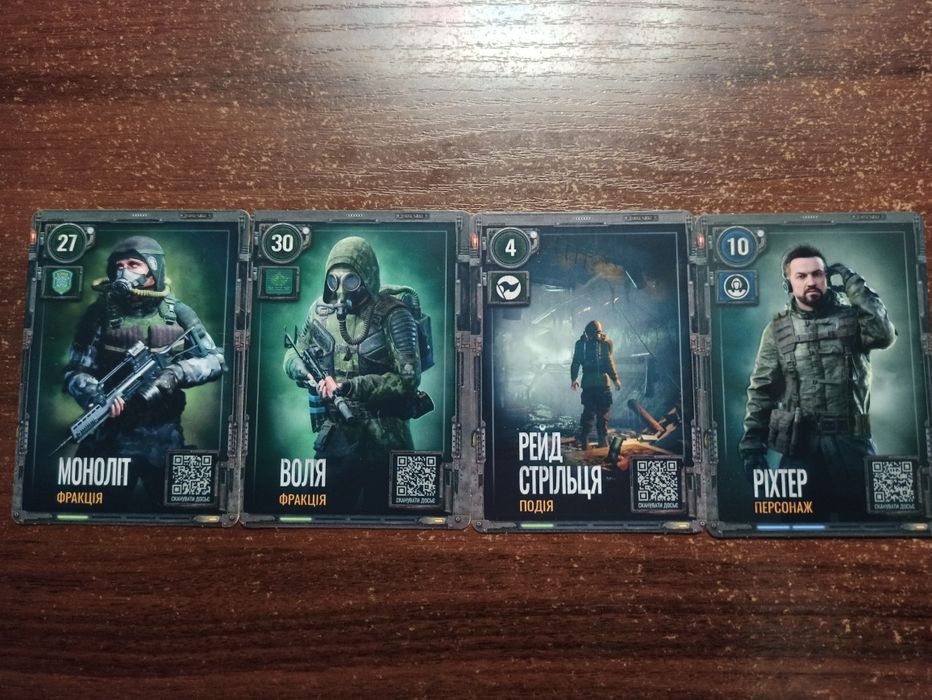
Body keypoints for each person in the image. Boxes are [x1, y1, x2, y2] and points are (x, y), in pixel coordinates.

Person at [63, 236, 225, 502]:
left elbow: (215, 360)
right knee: (86, 509)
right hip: (112, 434)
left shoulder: (179, 313)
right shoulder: (98, 314)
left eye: (133, 264)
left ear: (154, 268)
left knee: (187, 511)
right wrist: (95, 396)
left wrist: (176, 373)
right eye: (119, 266)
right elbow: (75, 371)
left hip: (165, 435)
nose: (124, 271)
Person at [739, 244, 896, 517]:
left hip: (853, 444)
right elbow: (762, 391)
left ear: (827, 277)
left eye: (818, 274)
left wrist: (851, 280)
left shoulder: (854, 319)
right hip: (801, 449)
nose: (811, 281)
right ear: (788, 283)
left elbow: (884, 335)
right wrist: (753, 447)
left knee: (868, 525)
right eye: (801, 276)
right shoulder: (777, 330)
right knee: (798, 526)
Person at [283, 236, 427, 511]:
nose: (340, 290)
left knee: (399, 522)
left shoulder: (395, 314)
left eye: (350, 280)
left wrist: (350, 387)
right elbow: (293, 353)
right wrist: (302, 371)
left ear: (366, 277)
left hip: (387, 438)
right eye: (333, 280)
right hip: (337, 435)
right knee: (319, 519)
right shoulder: (319, 312)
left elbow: (408, 379)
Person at [570, 320, 622, 448]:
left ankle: (591, 440)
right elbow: (608, 362)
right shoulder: (601, 343)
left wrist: (574, 379)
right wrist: (615, 379)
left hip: (593, 384)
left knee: (593, 413)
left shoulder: (585, 344)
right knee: (597, 413)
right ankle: (594, 441)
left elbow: (576, 362)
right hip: (598, 384)